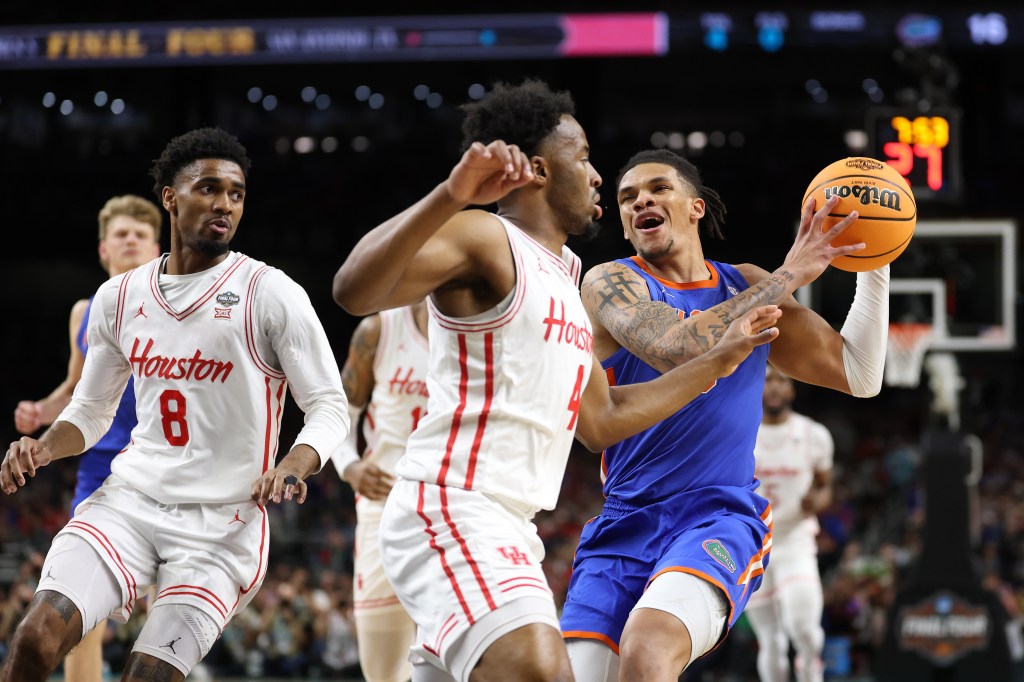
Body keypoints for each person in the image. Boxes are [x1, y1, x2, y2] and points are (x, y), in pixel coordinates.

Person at [332, 78, 782, 682]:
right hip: (454, 505)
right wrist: (451, 195)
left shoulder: (568, 274)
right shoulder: (486, 237)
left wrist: (717, 363)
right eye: (584, 158)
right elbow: (354, 290)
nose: (597, 176)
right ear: (541, 171)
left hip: (512, 523)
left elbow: (602, 420)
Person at [1, 127, 350, 682]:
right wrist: (43, 449)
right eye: (208, 188)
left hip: (221, 525)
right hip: (130, 500)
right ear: (170, 196)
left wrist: (293, 464)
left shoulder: (271, 292)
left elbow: (330, 405)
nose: (224, 204)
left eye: (236, 193)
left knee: (145, 675)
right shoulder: (119, 297)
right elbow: (91, 412)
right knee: (33, 640)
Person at [560, 148, 889, 681]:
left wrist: (877, 260)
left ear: (695, 207)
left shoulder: (745, 282)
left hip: (717, 514)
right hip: (622, 522)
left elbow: (860, 373)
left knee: (648, 647)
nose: (641, 201)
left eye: (659, 188)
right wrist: (789, 274)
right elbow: (672, 346)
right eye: (627, 197)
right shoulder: (609, 283)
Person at [12, 194, 162, 682]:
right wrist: (43, 411)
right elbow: (77, 389)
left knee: (166, 615)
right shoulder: (86, 311)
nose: (130, 240)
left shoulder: (175, 306)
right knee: (79, 614)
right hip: (100, 470)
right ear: (103, 249)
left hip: (164, 466)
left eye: (140, 234)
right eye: (121, 234)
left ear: (156, 247)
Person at [332, 300, 430, 682]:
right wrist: (348, 464)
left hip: (452, 503)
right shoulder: (379, 330)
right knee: (382, 670)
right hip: (384, 502)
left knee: (462, 653)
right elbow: (340, 412)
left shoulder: (481, 331)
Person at [745, 365, 834, 682]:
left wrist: (816, 501)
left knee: (804, 628)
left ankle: (810, 667)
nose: (774, 387)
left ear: (792, 389)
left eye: (781, 380)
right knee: (770, 639)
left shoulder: (814, 435)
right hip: (753, 545)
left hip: (795, 540)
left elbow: (825, 486)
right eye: (767, 380)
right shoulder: (741, 432)